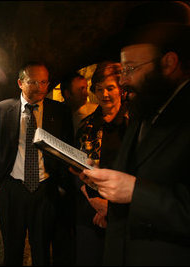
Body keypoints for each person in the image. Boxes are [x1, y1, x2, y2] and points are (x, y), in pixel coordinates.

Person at [80, 1, 190, 265]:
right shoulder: (143, 109)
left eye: (129, 69)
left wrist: (135, 193)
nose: (124, 81)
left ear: (169, 63)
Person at [0, 61, 74, 265]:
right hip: (12, 188)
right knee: (13, 250)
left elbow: (67, 150)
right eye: (33, 82)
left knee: (42, 251)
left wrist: (60, 185)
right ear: (20, 83)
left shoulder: (60, 112)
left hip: (45, 189)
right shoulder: (3, 109)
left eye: (44, 82)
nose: (39, 88)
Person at [73, 61, 128, 265]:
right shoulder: (86, 126)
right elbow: (75, 169)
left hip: (124, 214)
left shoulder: (135, 124)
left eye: (110, 88)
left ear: (121, 89)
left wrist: (110, 209)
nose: (104, 94)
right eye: (99, 89)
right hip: (89, 211)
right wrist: (95, 202)